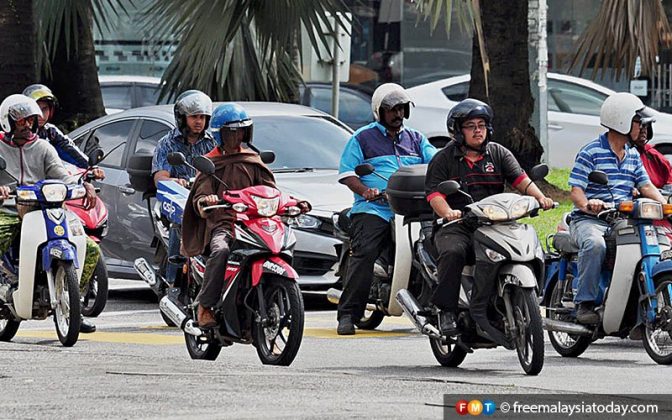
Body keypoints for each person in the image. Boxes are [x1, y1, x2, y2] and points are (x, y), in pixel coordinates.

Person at [424, 98, 554, 337]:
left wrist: (541, 198)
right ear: (458, 131)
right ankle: (446, 310)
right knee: (454, 252)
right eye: (471, 126)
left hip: (495, 221)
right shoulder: (443, 159)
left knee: (523, 246)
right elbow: (435, 196)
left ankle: (517, 298)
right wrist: (448, 213)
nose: (477, 131)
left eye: (482, 125)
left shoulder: (498, 153)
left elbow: (522, 180)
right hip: (457, 225)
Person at [336, 83, 437, 335]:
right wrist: (365, 191)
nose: (398, 114)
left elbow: (435, 162)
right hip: (375, 209)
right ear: (378, 111)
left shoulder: (416, 139)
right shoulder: (362, 138)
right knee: (365, 252)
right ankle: (348, 314)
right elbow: (347, 173)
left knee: (440, 245)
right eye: (392, 109)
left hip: (414, 210)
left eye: (402, 109)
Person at [0, 94, 99, 333]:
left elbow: (61, 174)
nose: (27, 125)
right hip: (8, 208)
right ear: (8, 122)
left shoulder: (43, 146)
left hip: (44, 209)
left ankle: (72, 301)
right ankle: (5, 282)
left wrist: (82, 184)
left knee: (91, 249)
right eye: (21, 120)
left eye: (30, 120)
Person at [568, 92, 666, 324]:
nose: (643, 128)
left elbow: (646, 186)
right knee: (595, 245)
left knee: (654, 245)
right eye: (638, 123)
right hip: (589, 220)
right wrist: (588, 204)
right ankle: (585, 303)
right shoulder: (591, 152)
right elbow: (576, 191)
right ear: (621, 121)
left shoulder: (633, 155)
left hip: (623, 220)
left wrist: (666, 204)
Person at [181, 103, 276, 328]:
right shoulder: (210, 162)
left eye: (241, 131)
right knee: (221, 250)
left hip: (255, 223)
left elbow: (271, 191)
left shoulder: (252, 160)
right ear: (220, 134)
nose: (237, 136)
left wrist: (291, 203)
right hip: (223, 223)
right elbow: (200, 195)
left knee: (279, 246)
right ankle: (205, 305)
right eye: (232, 131)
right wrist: (207, 200)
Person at [151, 90, 216, 286]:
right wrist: (175, 182)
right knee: (179, 226)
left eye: (203, 117)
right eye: (194, 117)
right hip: (177, 200)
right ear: (182, 118)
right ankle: (174, 280)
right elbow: (160, 178)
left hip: (206, 199)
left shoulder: (212, 142)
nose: (199, 121)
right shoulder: (167, 144)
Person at [22, 84, 104, 179]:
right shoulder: (13, 133)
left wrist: (91, 168)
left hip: (46, 187)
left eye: (45, 109)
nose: (41, 114)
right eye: (36, 109)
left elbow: (70, 150)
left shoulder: (50, 131)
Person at [629, 108, 672, 189]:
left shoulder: (654, 156)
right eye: (641, 126)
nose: (643, 131)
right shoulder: (621, 154)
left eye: (646, 126)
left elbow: (669, 181)